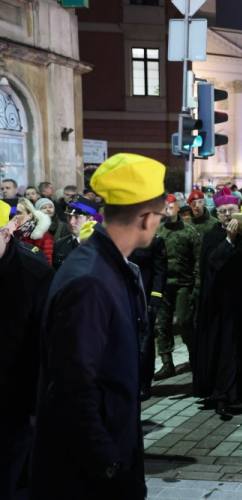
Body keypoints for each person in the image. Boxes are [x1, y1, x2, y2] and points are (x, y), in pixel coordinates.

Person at [31, 153, 167, 500]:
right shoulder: (92, 281)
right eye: (161, 217)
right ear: (146, 218)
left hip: (100, 458)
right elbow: (72, 390)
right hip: (84, 477)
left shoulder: (106, 267)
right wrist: (111, 469)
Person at [193, 191, 242, 418]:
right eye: (223, 212)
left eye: (231, 211)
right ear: (217, 214)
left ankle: (240, 388)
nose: (227, 215)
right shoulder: (212, 236)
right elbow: (212, 262)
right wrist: (229, 241)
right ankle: (222, 395)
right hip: (220, 304)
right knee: (224, 348)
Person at [0, 200, 54, 500]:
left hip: (16, 405)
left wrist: (37, 408)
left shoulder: (35, 275)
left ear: (7, 232)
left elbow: (46, 348)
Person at [153, 194, 201, 379]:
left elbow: (197, 260)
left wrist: (196, 285)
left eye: (170, 206)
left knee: (184, 322)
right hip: (163, 285)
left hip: (184, 284)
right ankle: (166, 363)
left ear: (177, 207)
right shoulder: (158, 231)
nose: (167, 210)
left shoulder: (188, 232)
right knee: (163, 324)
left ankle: (194, 358)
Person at [128, 233, 167, 401]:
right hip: (123, 296)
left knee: (145, 342)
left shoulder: (154, 240)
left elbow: (160, 271)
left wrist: (155, 299)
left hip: (144, 298)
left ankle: (144, 382)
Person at [52, 195, 99, 270]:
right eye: (69, 216)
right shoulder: (60, 244)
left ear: (90, 219)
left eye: (77, 217)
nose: (71, 222)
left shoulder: (99, 245)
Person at [13, 197, 54, 264]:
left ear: (30, 215)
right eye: (12, 213)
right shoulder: (8, 234)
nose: (14, 216)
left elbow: (47, 266)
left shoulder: (43, 236)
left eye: (18, 213)